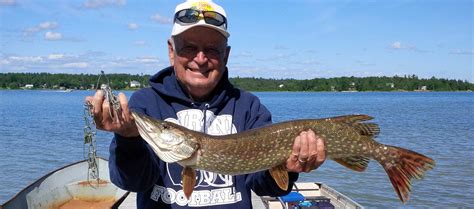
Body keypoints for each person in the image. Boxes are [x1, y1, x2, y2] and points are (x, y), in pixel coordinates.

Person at [85, 0, 326, 208]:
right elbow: (133, 182)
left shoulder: (248, 106)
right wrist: (128, 139)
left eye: (211, 49)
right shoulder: (146, 102)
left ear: (226, 55)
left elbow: (264, 186)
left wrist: (290, 167)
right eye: (189, 47)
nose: (200, 59)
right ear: (171, 51)